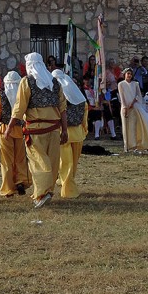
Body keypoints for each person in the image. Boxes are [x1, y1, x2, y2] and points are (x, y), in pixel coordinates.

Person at [8, 52, 68, 209]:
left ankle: (41, 194)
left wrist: (9, 127)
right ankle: (47, 191)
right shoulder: (55, 83)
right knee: (52, 161)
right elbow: (63, 109)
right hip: (54, 130)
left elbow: (19, 107)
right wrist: (65, 130)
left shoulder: (26, 82)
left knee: (38, 162)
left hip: (35, 131)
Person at [0, 70, 30, 197]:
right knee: (20, 159)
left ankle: (8, 188)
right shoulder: (23, 96)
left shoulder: (1, 96)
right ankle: (21, 181)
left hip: (5, 130)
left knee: (7, 161)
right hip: (20, 131)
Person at [53, 69, 88, 199]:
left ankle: (69, 190)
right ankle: (66, 182)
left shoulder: (58, 96)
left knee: (65, 163)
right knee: (73, 163)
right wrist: (84, 129)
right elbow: (85, 112)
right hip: (78, 134)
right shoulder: (78, 95)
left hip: (64, 134)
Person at [118, 67, 148, 154]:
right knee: (125, 127)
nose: (129, 75)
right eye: (127, 73)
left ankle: (134, 145)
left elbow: (138, 95)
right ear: (124, 74)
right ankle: (126, 146)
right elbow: (122, 97)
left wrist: (132, 103)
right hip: (125, 108)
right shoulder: (121, 84)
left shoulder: (135, 83)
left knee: (133, 127)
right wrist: (125, 107)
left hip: (134, 108)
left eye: (130, 74)